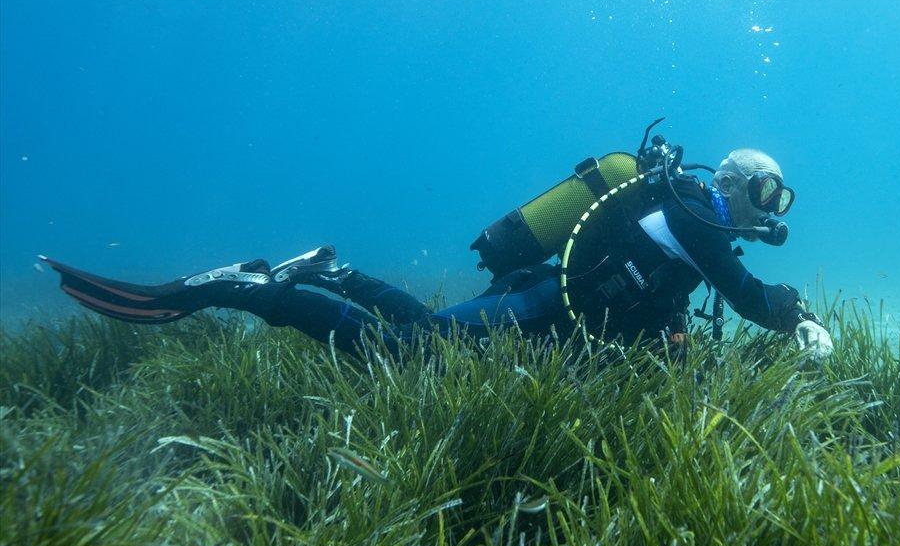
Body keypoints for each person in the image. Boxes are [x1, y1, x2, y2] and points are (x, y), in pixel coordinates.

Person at [42, 148, 834, 361]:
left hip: (549, 305)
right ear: (732, 185)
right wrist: (797, 316)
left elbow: (667, 296)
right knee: (405, 353)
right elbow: (747, 298)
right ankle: (249, 288)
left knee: (419, 335)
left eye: (778, 201)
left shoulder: (686, 214)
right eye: (765, 194)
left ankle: (330, 270)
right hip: (541, 304)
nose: (768, 211)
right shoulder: (696, 216)